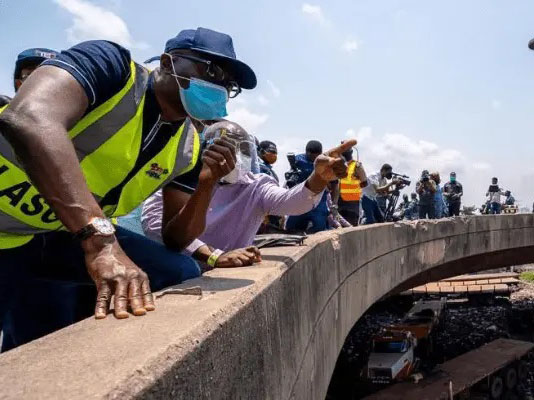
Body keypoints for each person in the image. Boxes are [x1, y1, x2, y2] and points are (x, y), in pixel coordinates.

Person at [0, 27, 257, 349]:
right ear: (167, 62)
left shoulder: (189, 148)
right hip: (18, 232)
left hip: (54, 234)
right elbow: (27, 118)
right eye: (213, 71)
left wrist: (206, 185)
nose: (220, 86)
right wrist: (101, 244)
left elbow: (176, 238)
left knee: (178, 271)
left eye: (229, 85)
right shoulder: (111, 67)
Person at [142, 121, 355, 267]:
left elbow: (293, 203)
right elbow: (153, 224)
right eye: (225, 147)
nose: (234, 156)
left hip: (231, 268)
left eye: (242, 150)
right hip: (180, 267)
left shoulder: (255, 186)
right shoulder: (181, 178)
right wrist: (212, 256)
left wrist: (318, 179)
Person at [285, 140, 333, 233]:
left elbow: (335, 184)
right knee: (291, 227)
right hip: (300, 198)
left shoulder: (326, 162)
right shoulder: (298, 160)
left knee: (320, 227)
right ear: (307, 152)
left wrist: (334, 204)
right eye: (311, 156)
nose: (313, 159)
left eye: (316, 156)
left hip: (319, 200)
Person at [337, 140, 367, 226]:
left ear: (351, 151)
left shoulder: (357, 165)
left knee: (351, 228)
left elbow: (364, 183)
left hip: (352, 205)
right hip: (339, 204)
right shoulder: (337, 165)